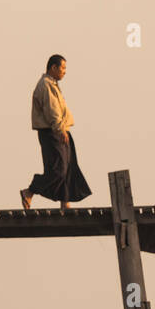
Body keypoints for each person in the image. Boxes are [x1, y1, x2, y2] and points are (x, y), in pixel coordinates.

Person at [20, 54, 92, 209]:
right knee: (58, 170)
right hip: (52, 132)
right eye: (63, 68)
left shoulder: (51, 84)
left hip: (59, 130)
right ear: (53, 67)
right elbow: (53, 111)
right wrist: (60, 130)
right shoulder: (46, 85)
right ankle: (30, 191)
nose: (65, 71)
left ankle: (65, 202)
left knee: (67, 167)